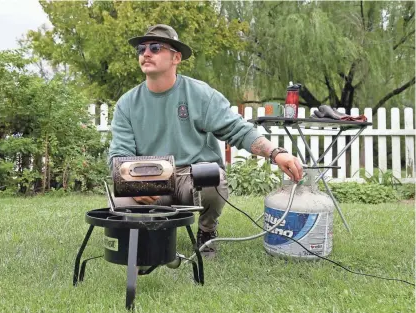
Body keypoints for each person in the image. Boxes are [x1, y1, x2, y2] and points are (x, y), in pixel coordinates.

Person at [108, 24, 303, 258]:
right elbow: (120, 157)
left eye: (156, 47)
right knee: (121, 201)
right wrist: (134, 185)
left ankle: (206, 231)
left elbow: (237, 129)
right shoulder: (127, 103)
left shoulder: (200, 94)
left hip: (192, 176)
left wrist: (276, 153)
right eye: (142, 49)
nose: (146, 53)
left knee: (213, 179)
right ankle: (151, 233)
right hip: (151, 176)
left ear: (176, 57)